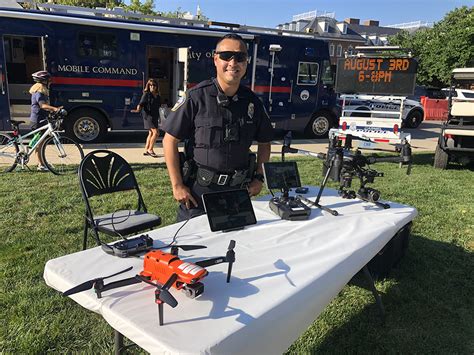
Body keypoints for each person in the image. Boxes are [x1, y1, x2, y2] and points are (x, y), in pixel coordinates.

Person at [162, 33, 274, 222]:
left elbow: (265, 142)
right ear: (215, 59)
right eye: (226, 56)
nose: (233, 62)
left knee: (237, 246)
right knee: (194, 249)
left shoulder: (252, 102)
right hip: (199, 195)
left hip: (238, 193)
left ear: (246, 62)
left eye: (240, 57)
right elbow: (169, 141)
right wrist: (177, 185)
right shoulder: (196, 97)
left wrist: (259, 178)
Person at [29, 71, 62, 171]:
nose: (50, 82)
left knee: (41, 143)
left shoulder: (42, 91)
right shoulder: (39, 91)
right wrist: (55, 109)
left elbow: (45, 107)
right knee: (40, 143)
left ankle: (42, 162)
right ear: (43, 81)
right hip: (37, 120)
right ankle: (40, 165)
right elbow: (42, 105)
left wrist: (54, 109)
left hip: (41, 119)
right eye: (48, 80)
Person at [132, 79, 161, 157]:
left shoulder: (157, 96)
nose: (152, 87)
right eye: (150, 85)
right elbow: (140, 104)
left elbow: (158, 107)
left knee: (151, 133)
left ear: (156, 86)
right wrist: (138, 109)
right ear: (148, 86)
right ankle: (150, 149)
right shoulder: (146, 94)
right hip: (148, 116)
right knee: (156, 133)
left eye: (154, 85)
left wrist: (159, 117)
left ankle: (146, 149)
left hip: (154, 116)